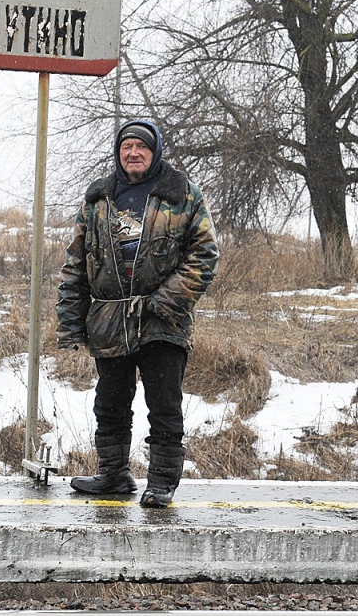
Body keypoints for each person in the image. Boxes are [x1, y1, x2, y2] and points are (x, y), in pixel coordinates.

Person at [56, 119, 219, 508]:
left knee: (164, 403)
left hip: (163, 320)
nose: (133, 153)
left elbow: (204, 255)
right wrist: (70, 321)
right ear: (118, 153)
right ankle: (114, 474)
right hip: (109, 321)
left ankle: (162, 481)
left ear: (155, 151)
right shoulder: (98, 199)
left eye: (141, 147)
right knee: (110, 401)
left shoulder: (182, 195)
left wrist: (163, 303)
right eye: (126, 146)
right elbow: (76, 262)